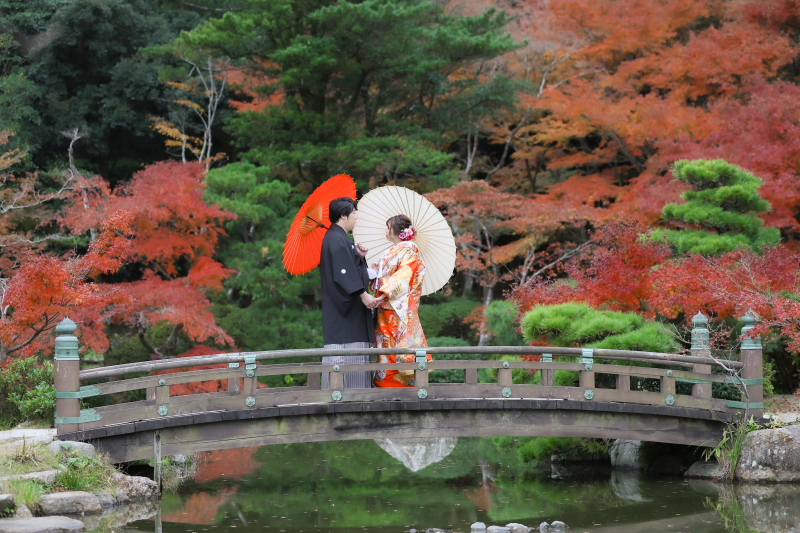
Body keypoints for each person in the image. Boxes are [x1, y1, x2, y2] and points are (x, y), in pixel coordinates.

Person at [319, 197, 382, 389]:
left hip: (347, 314)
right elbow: (343, 274)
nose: (357, 216)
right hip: (345, 315)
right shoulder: (336, 239)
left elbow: (348, 267)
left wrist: (357, 255)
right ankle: (350, 397)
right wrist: (364, 295)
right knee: (347, 366)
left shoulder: (338, 238)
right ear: (343, 216)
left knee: (352, 362)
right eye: (354, 213)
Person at [371, 215, 431, 387]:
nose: (385, 231)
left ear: (396, 231)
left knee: (396, 346)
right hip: (385, 307)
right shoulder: (393, 251)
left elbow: (402, 277)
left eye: (387, 227)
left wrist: (382, 295)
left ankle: (397, 386)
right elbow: (389, 277)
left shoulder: (408, 251)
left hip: (398, 308)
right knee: (384, 344)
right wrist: (378, 272)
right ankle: (385, 383)